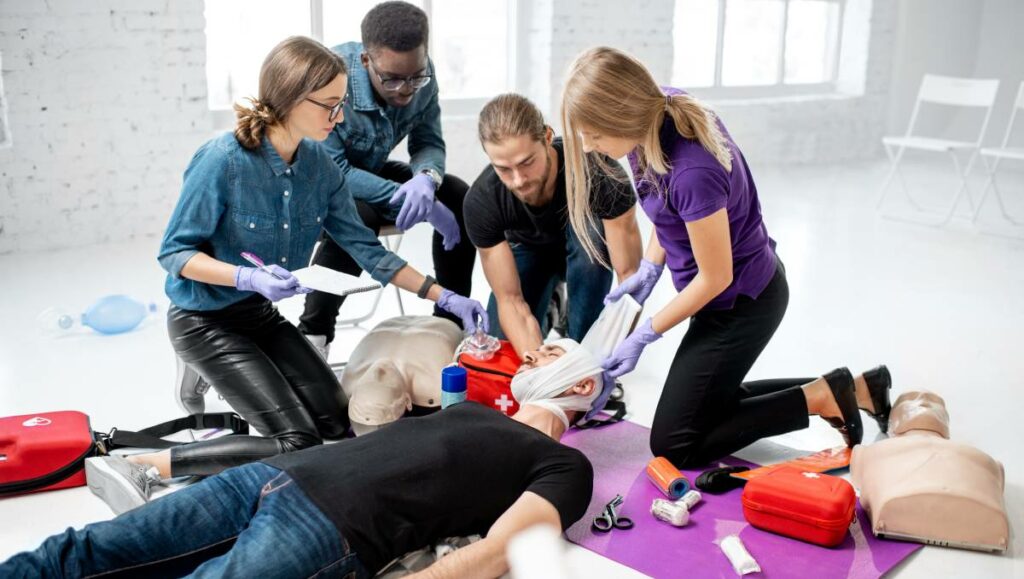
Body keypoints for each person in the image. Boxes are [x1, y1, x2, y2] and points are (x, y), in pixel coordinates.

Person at [124, 36, 486, 506]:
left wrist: (444, 296)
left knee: (340, 422)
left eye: (340, 106)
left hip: (258, 317)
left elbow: (364, 248)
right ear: (292, 99)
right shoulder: (222, 160)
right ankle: (148, 465)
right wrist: (248, 276)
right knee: (299, 440)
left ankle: (238, 459)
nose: (338, 119)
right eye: (330, 107)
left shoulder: (319, 165)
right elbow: (174, 253)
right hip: (205, 322)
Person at [560, 47, 893, 468]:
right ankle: (854, 388)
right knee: (698, 411)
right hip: (726, 296)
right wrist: (651, 267)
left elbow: (715, 276)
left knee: (676, 444)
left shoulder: (691, 171)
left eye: (594, 134)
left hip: (743, 303)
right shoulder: (655, 111)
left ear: (623, 115)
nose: (588, 146)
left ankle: (821, 397)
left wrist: (644, 334)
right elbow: (668, 211)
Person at [1, 344, 598, 579]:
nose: (534, 349)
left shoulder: (566, 467)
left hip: (332, 530)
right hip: (269, 479)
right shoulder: (464, 407)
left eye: (554, 349)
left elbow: (497, 553)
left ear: (576, 386)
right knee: (89, 550)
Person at [299, 0, 477, 358]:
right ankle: (315, 334)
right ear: (366, 61)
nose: (406, 89)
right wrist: (414, 202)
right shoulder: (330, 81)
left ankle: (450, 321)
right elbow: (337, 174)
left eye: (416, 75)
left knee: (458, 195)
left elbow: (427, 142)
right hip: (316, 186)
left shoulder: (421, 75)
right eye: (392, 78)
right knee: (357, 215)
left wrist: (426, 179)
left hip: (369, 172)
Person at [465, 93, 642, 356]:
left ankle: (581, 342)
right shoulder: (483, 200)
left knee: (589, 243)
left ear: (547, 137)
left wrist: (602, 360)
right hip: (529, 249)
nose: (518, 180)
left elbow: (629, 278)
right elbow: (510, 300)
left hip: (588, 253)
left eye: (527, 163)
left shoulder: (600, 173)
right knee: (506, 348)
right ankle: (554, 305)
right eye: (504, 169)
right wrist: (538, 365)